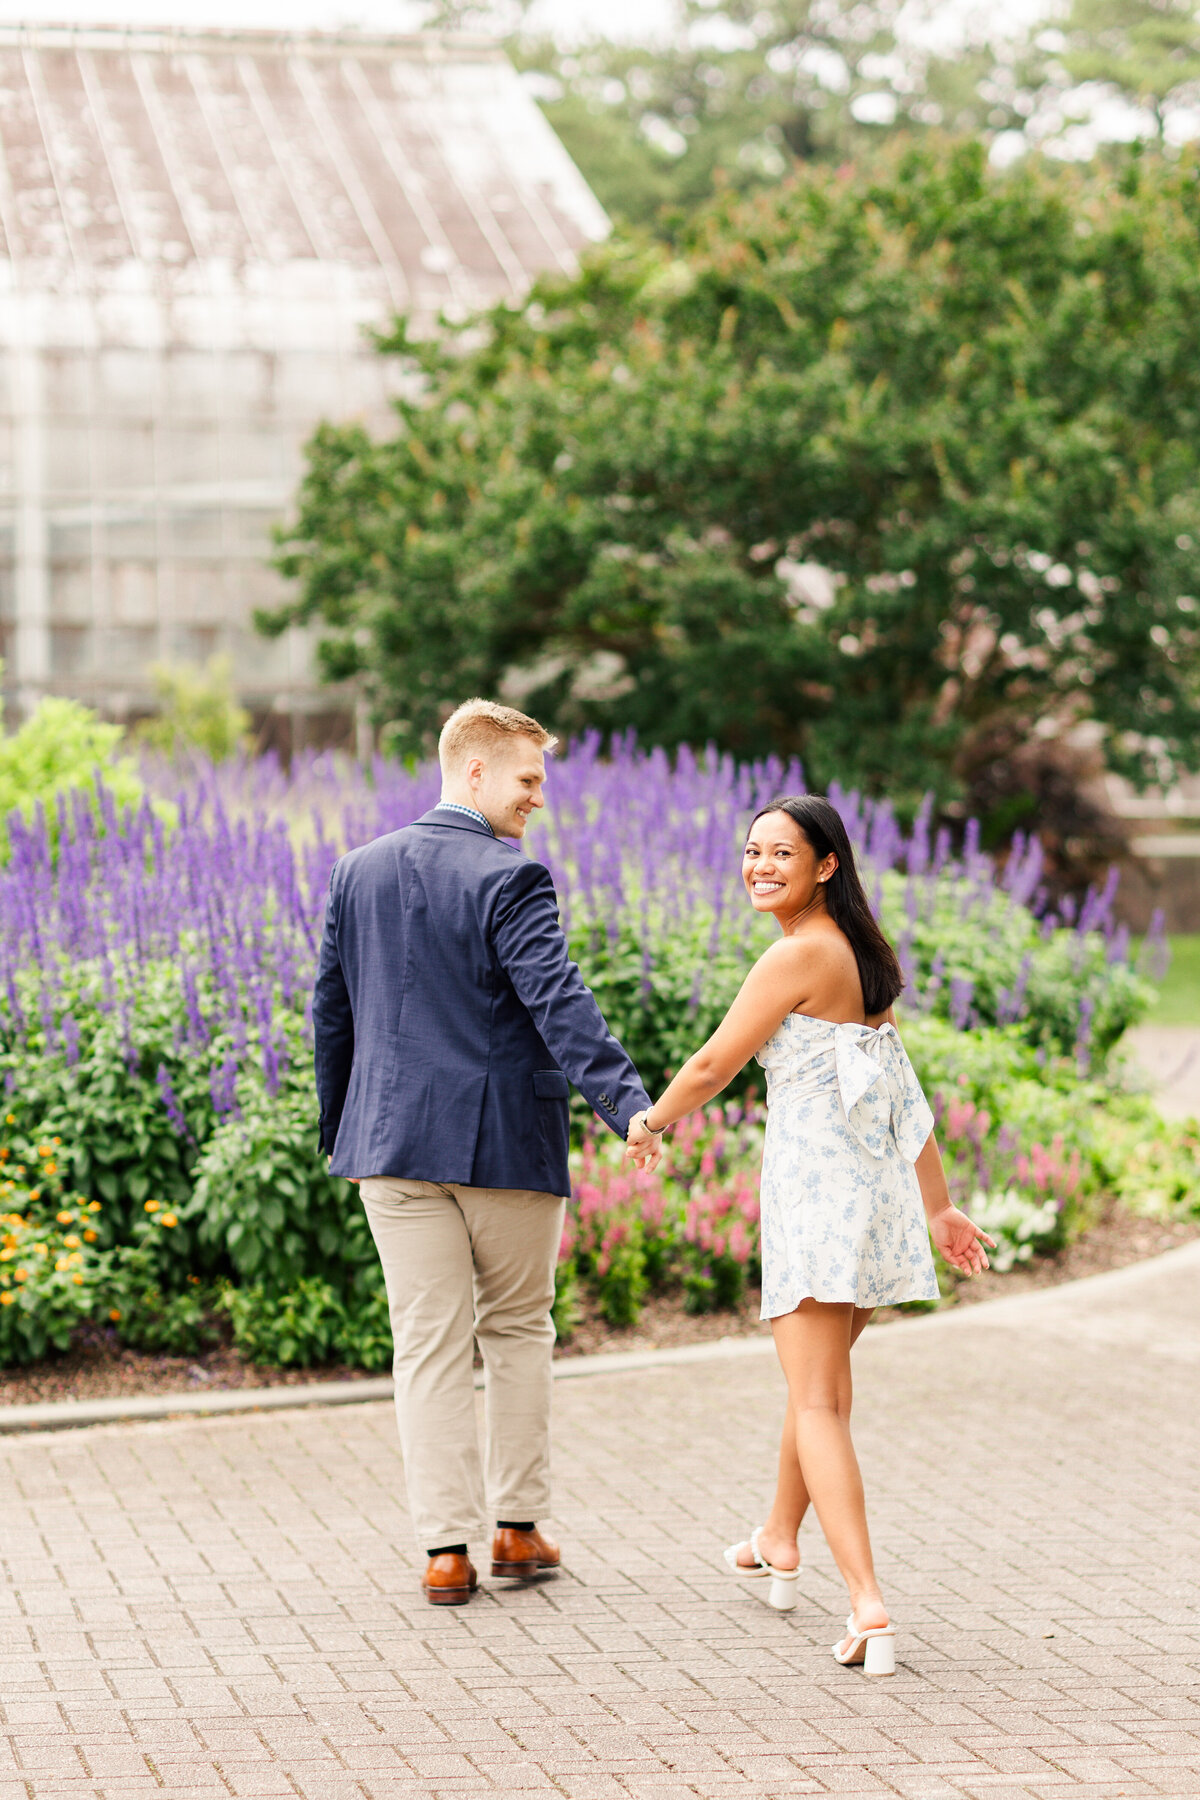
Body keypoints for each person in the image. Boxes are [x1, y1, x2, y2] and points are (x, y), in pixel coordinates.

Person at [625, 794, 993, 1676]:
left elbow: (715, 1062)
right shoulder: (865, 958)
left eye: (780, 854)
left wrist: (651, 1121)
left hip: (816, 1201)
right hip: (869, 1202)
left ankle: (868, 1604)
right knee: (818, 1389)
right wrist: (937, 1207)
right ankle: (777, 1539)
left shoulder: (794, 956)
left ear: (825, 865)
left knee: (820, 1400)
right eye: (751, 852)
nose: (759, 866)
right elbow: (902, 1090)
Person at [313, 699, 653, 1607]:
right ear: (475, 772)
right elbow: (560, 1000)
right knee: (515, 1331)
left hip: (386, 1145)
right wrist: (627, 1104)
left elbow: (331, 1017)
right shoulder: (512, 878)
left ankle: (444, 1553)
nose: (538, 797)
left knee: (424, 1347)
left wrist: (342, 1129)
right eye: (528, 778)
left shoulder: (357, 870)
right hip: (503, 1141)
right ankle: (516, 1528)